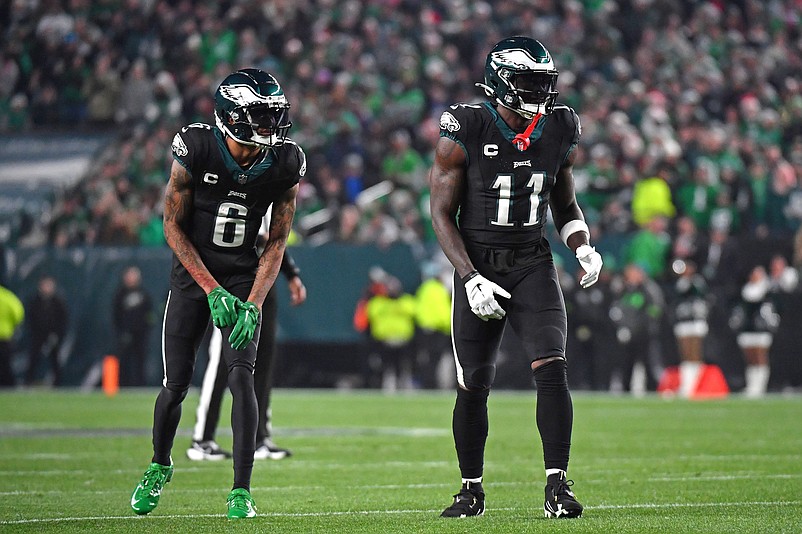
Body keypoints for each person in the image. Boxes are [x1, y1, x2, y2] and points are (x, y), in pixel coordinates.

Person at [428, 36, 603, 519]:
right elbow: (441, 214)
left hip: (531, 261)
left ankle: (557, 485)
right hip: (479, 261)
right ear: (502, 83)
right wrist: (468, 276)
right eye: (529, 82)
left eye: (544, 83)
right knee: (474, 382)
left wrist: (582, 243)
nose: (539, 93)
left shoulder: (560, 126)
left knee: (552, 365)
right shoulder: (466, 126)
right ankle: (470, 489)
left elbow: (564, 203)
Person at [130, 68, 304, 520]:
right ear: (231, 115)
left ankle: (241, 490)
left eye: (273, 116)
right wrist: (209, 289)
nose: (269, 126)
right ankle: (159, 463)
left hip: (245, 275)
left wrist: (254, 300)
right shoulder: (197, 147)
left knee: (241, 376)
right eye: (259, 116)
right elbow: (172, 225)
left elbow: (277, 241)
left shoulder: (285, 162)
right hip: (194, 277)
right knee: (175, 385)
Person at [187, 248, 306, 461]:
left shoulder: (273, 215)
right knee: (222, 360)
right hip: (234, 275)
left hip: (264, 280)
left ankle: (259, 438)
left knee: (263, 359)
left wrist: (291, 273)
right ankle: (202, 438)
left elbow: (275, 238)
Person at [113, 265, 154, 386]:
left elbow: (149, 314)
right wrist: (121, 331)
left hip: (140, 334)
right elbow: (116, 315)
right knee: (124, 361)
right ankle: (123, 385)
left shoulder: (143, 294)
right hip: (125, 334)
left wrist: (146, 329)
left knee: (140, 361)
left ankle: (140, 385)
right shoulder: (120, 295)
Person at [24, 275, 68, 386]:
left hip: (53, 335)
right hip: (38, 335)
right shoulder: (35, 301)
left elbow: (63, 320)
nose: (47, 288)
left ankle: (58, 383)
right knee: (34, 358)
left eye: (50, 285)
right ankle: (28, 381)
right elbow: (31, 319)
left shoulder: (58, 302)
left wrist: (57, 335)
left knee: (55, 360)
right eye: (45, 285)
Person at [0, 284, 24, 387]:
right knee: (6, 365)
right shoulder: (7, 296)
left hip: (5, 338)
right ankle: (10, 387)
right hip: (5, 337)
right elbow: (18, 313)